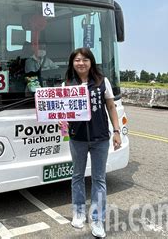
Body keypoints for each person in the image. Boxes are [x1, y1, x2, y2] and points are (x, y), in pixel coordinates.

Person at [60, 47, 121, 238]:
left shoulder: (103, 82)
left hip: (100, 138)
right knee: (77, 175)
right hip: (77, 138)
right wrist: (63, 127)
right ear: (72, 63)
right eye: (77, 60)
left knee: (99, 179)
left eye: (85, 60)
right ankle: (78, 212)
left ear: (91, 62)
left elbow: (111, 106)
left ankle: (97, 219)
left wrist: (117, 131)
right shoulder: (67, 84)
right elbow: (62, 112)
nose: (81, 63)